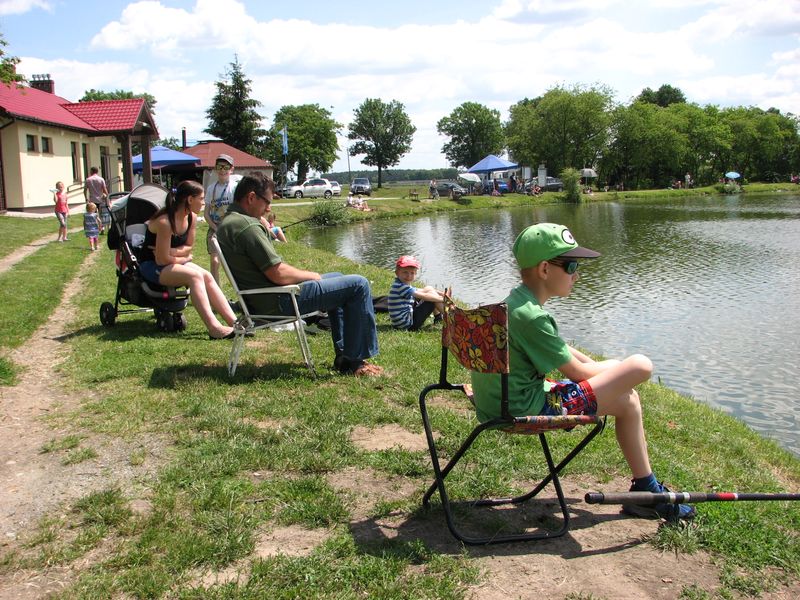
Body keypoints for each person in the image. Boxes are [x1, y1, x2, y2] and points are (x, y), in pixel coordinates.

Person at [470, 223, 696, 522]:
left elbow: (561, 350)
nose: (577, 275)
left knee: (628, 401)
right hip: (526, 409)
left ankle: (647, 491)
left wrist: (607, 371)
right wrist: (617, 367)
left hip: (498, 404)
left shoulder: (515, 304)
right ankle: (649, 492)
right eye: (572, 266)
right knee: (640, 365)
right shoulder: (533, 317)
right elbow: (578, 373)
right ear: (545, 269)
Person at [216, 172, 382, 376]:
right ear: (251, 197)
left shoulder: (230, 221)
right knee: (359, 285)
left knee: (338, 276)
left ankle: (344, 357)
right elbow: (278, 274)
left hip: (261, 300)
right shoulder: (246, 226)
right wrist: (311, 275)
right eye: (267, 202)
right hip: (280, 301)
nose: (268, 208)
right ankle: (356, 361)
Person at [139, 180, 236, 340]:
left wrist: (173, 253)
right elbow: (162, 261)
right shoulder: (165, 222)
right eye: (201, 199)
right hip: (152, 266)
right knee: (195, 276)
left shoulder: (191, 217)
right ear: (190, 200)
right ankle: (214, 328)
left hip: (169, 262)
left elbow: (188, 247)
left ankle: (235, 322)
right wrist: (183, 257)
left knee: (207, 275)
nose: (204, 203)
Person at [204, 154, 242, 284]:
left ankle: (240, 289)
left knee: (232, 262)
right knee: (215, 261)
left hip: (230, 229)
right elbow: (206, 214)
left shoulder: (235, 188)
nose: (222, 170)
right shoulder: (210, 189)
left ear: (231, 169)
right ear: (215, 168)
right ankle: (216, 291)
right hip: (214, 228)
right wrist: (215, 228)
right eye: (219, 166)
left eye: (226, 167)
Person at [388, 255, 446, 331]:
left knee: (429, 289)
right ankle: (452, 320)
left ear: (415, 274)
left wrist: (441, 293)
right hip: (408, 325)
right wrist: (442, 299)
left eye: (412, 273)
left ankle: (439, 317)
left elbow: (422, 290)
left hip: (403, 322)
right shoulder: (402, 287)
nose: (409, 276)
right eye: (405, 272)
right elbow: (424, 296)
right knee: (432, 299)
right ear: (397, 273)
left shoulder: (400, 284)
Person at [84, 167, 109, 235]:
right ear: (97, 172)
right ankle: (102, 227)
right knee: (101, 214)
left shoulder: (88, 179)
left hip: (92, 200)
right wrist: (107, 197)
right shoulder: (101, 179)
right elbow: (104, 189)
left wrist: (86, 198)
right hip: (100, 199)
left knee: (94, 215)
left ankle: (96, 227)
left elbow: (85, 190)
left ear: (92, 171)